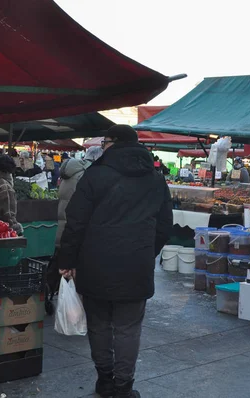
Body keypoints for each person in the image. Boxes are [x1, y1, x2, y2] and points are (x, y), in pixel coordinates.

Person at [58, 125, 172, 398]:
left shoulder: (95, 175)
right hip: (136, 264)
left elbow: (76, 221)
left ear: (113, 143)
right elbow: (165, 225)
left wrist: (68, 259)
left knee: (98, 324)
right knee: (128, 328)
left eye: (105, 141)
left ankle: (105, 380)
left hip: (94, 263)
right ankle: (123, 388)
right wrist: (146, 252)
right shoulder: (155, 179)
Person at [54, 146, 103, 249]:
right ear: (97, 157)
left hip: (64, 222)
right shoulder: (87, 173)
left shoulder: (72, 171)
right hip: (76, 227)